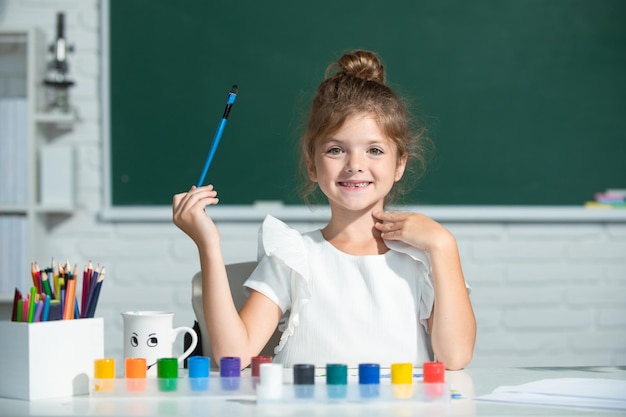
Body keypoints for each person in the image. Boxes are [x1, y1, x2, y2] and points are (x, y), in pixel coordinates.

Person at [173, 49, 476, 370]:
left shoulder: (420, 259)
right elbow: (232, 357)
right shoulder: (293, 255)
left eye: (374, 150)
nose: (355, 165)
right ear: (312, 165)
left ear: (400, 163)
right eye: (335, 150)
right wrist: (208, 244)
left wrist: (444, 246)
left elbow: (454, 358)